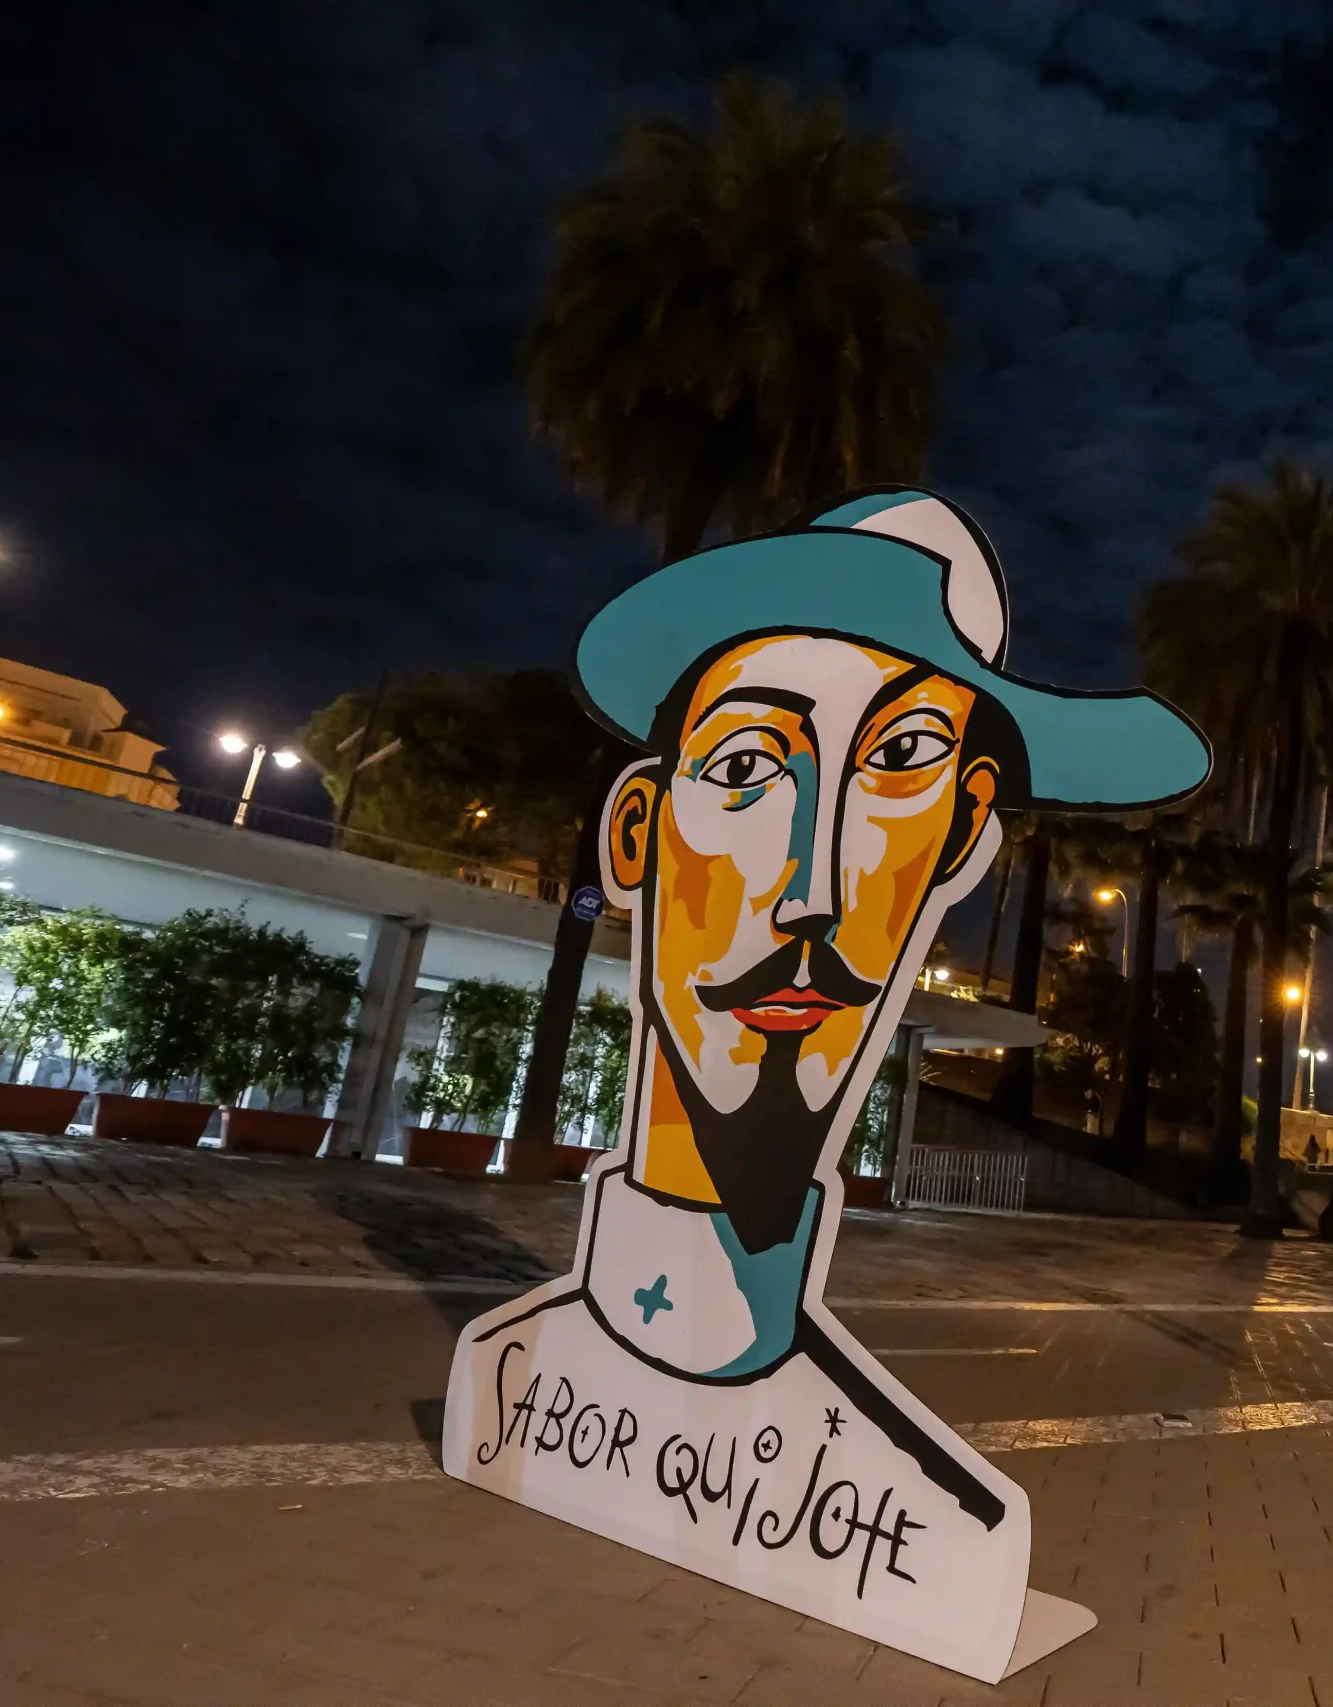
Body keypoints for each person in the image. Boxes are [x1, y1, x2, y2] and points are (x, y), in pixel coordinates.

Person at [440, 488, 1206, 1685]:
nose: (816, 890)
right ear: (636, 831)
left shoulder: (926, 1531)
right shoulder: (504, 1375)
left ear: (961, 838)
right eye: (749, 765)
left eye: (901, 762)